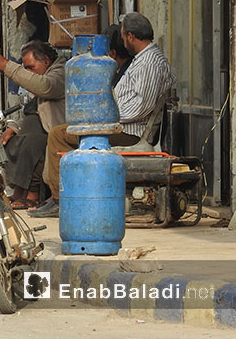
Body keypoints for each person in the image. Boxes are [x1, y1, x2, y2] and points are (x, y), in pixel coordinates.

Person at [30, 12, 176, 218]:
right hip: (120, 124)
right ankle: (70, 195)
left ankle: (59, 199)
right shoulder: (143, 59)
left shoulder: (150, 62)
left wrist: (106, 118)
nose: (123, 40)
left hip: (129, 131)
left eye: (124, 36)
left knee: (59, 135)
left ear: (132, 37)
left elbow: (142, 106)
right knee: (67, 130)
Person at [0, 41, 65, 209]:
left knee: (33, 144)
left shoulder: (61, 72)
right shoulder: (44, 74)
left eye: (31, 67)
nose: (29, 72)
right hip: (38, 129)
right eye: (26, 68)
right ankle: (19, 190)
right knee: (12, 142)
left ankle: (32, 194)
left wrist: (7, 66)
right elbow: (34, 110)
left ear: (45, 60)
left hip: (56, 132)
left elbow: (46, 87)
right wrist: (12, 129)